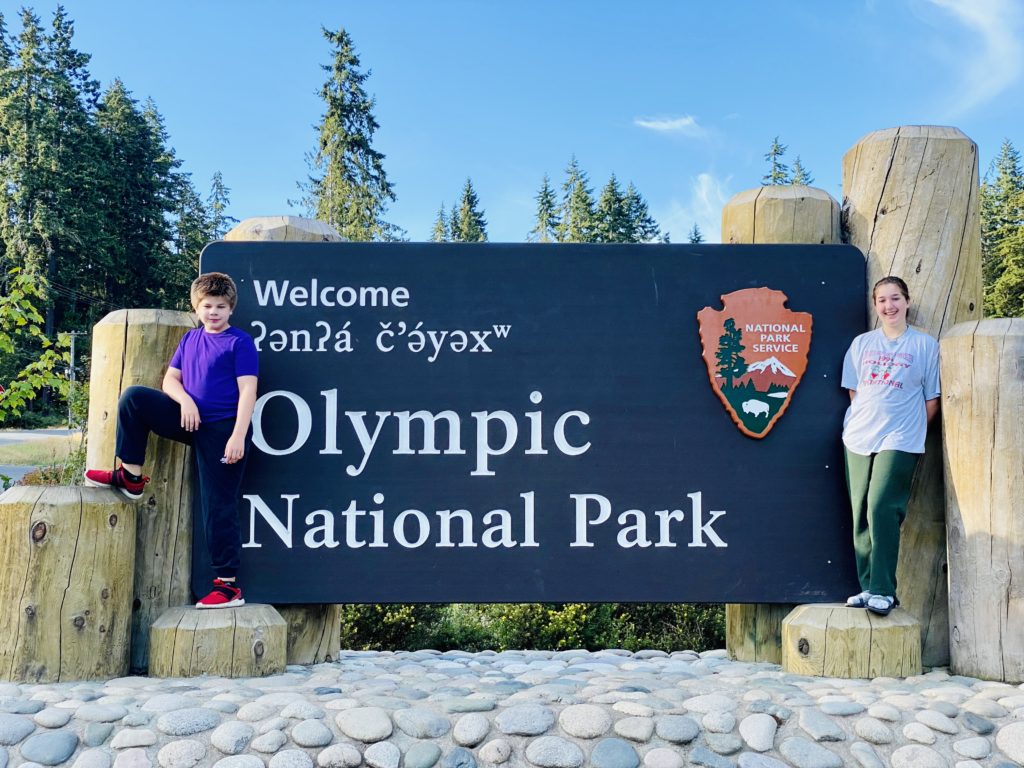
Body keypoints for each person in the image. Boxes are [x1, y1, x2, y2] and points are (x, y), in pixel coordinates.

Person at [85, 272, 258, 609]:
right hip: (189, 418)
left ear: (231, 309)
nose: (213, 312)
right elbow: (170, 381)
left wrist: (238, 436)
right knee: (135, 399)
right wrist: (187, 401)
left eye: (221, 306)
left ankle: (228, 586)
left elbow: (248, 390)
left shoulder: (240, 342)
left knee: (217, 504)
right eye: (207, 306)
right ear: (197, 306)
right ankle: (131, 476)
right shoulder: (190, 341)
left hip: (224, 430)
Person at [841, 275, 940, 616]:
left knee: (882, 505)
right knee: (860, 514)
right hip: (858, 436)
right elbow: (855, 393)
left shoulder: (925, 346)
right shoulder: (861, 345)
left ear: (907, 301)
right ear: (875, 305)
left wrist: (909, 429)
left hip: (900, 438)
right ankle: (868, 587)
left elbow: (931, 400)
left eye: (895, 298)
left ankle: (884, 590)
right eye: (882, 300)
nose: (889, 306)